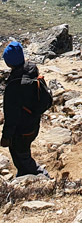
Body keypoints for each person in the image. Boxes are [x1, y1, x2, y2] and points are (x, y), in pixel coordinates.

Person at [1, 41, 49, 178]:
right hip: (33, 123)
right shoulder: (31, 69)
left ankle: (39, 175)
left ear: (9, 63)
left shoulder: (15, 87)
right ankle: (24, 173)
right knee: (24, 151)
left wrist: (6, 137)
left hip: (22, 129)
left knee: (20, 155)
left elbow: (11, 116)